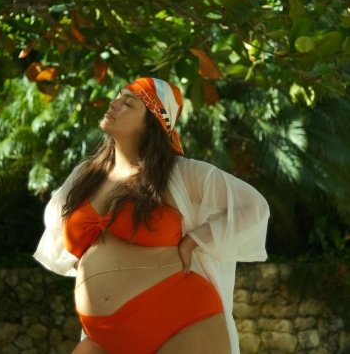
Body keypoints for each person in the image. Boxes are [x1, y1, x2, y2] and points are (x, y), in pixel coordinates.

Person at [34, 77, 270, 354]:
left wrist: (195, 240)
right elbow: (56, 226)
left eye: (128, 103)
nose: (115, 104)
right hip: (102, 335)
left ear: (152, 123)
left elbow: (254, 207)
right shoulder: (87, 175)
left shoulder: (182, 173)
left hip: (180, 321)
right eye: (118, 97)